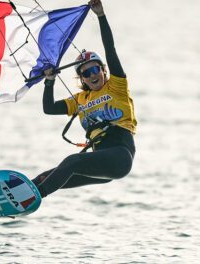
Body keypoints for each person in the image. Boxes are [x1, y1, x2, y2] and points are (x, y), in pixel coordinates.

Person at [31, 0, 137, 198]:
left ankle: (34, 196)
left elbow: (110, 50)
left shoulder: (117, 87)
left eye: (95, 69)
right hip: (102, 161)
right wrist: (50, 81)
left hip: (120, 156)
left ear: (103, 70)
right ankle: (20, 196)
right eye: (86, 73)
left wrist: (101, 16)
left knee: (72, 162)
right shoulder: (80, 99)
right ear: (82, 79)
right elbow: (49, 108)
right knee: (49, 176)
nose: (92, 75)